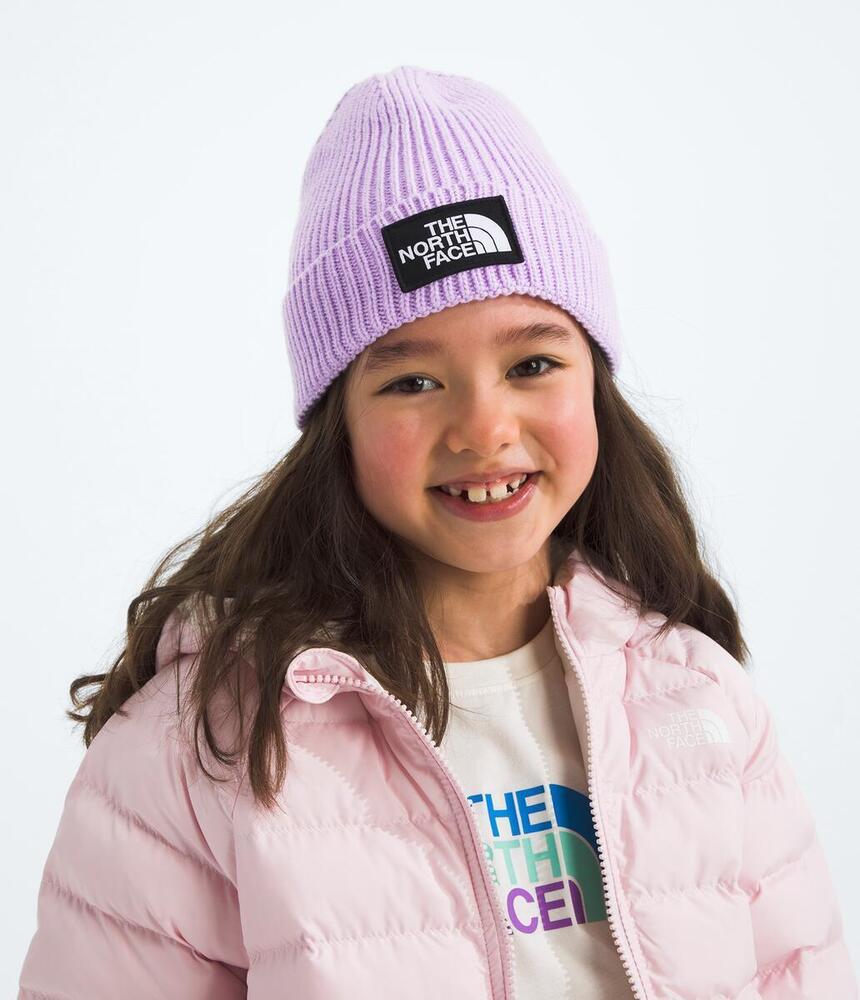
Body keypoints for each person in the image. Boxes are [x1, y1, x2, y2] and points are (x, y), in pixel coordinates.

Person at [17, 64, 857, 1000]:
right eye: (412, 381)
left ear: (595, 381)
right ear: (336, 423)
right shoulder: (200, 748)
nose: (484, 429)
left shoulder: (692, 694)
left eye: (533, 363)